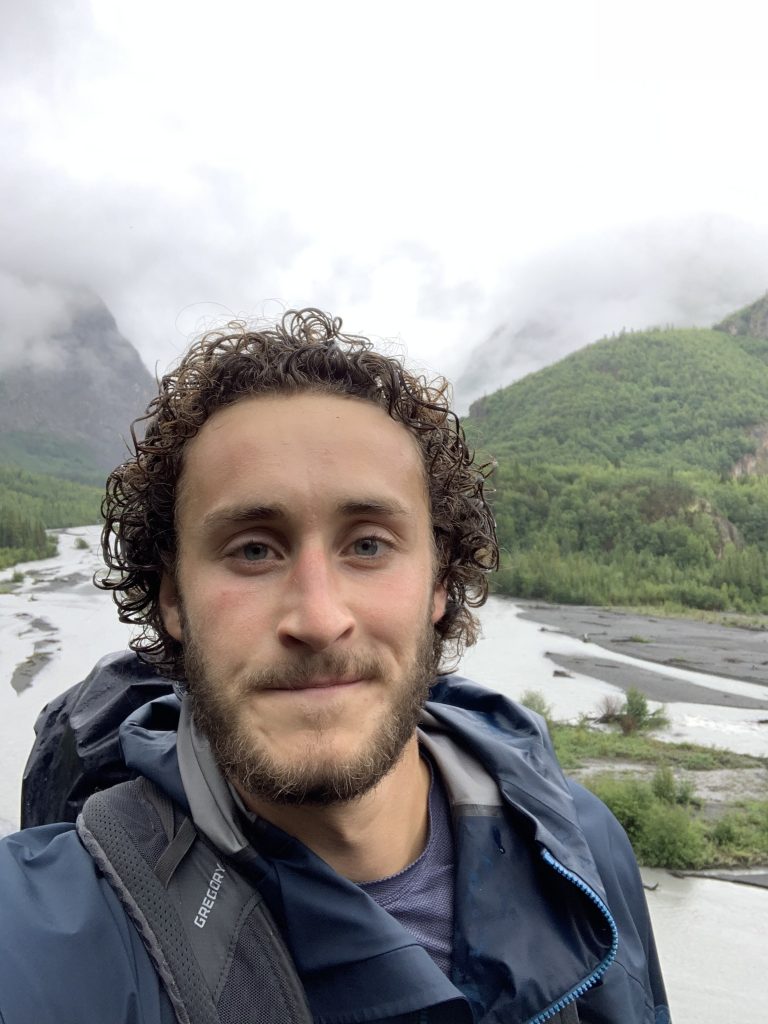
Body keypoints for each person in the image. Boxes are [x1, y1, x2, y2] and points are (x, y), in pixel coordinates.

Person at [0, 308, 670, 1024]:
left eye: (369, 545)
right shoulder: (39, 934)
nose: (319, 619)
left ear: (440, 583)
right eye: (254, 549)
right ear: (173, 599)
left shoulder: (579, 850)